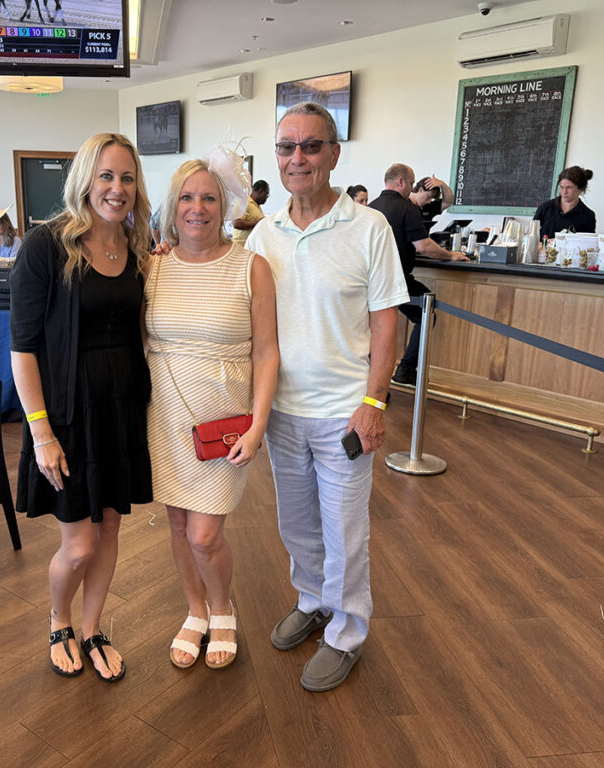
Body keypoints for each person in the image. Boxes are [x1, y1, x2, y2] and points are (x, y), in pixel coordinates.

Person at [245, 102, 409, 692]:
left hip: (344, 412)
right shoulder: (264, 235)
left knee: (345, 532)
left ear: (334, 153)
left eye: (310, 146)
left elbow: (387, 323)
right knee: (297, 526)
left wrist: (376, 401)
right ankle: (312, 599)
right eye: (286, 147)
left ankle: (346, 632)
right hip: (282, 412)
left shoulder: (369, 228)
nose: (297, 158)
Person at [9, 132, 153, 684]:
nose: (117, 189)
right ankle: (59, 620)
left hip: (121, 408)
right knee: (79, 542)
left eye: (127, 178)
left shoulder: (138, 248)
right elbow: (22, 348)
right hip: (69, 415)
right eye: (107, 176)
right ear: (86, 180)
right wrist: (41, 433)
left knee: (111, 528)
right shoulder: (46, 246)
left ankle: (93, 627)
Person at [147, 153, 278, 671]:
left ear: (224, 206)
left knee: (205, 533)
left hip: (223, 424)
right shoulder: (153, 265)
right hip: (166, 416)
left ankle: (222, 607)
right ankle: (194, 610)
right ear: (171, 205)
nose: (196, 208)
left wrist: (260, 421)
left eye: (208, 197)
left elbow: (266, 352)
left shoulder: (252, 266)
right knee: (179, 525)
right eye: (186, 196)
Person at [368, 163, 469, 387]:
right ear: (401, 182)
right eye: (412, 183)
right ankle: (405, 370)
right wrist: (450, 256)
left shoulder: (371, 208)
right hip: (396, 280)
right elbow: (423, 246)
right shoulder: (407, 208)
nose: (412, 188)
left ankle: (373, 383)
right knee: (426, 314)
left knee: (374, 329)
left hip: (370, 281)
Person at [533, 166, 596, 238]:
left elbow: (587, 245)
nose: (564, 192)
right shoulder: (545, 208)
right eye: (562, 187)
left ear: (580, 189)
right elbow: (532, 236)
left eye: (569, 187)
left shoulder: (588, 216)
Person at [231, 179, 270, 245]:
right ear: (260, 191)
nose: (266, 198)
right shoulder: (244, 203)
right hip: (241, 247)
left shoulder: (257, 206)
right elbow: (236, 223)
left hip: (250, 247)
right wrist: (258, 222)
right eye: (266, 194)